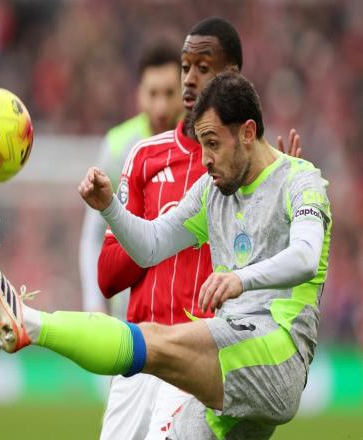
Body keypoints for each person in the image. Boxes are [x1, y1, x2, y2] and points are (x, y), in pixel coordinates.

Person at [0, 71, 331, 439]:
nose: (205, 159)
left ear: (248, 133)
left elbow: (306, 256)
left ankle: (30, 323)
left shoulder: (301, 181)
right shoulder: (212, 191)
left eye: (212, 144)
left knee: (155, 341)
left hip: (276, 356)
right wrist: (110, 207)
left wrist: (239, 279)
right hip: (233, 367)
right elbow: (151, 245)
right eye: (202, 145)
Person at [96, 17, 301, 440]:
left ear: (232, 77)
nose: (188, 79)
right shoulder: (146, 156)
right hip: (141, 349)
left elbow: (276, 276)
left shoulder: (251, 169)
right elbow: (108, 276)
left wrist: (279, 206)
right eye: (185, 67)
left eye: (202, 69)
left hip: (199, 354)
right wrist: (156, 233)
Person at [79, 41, 183, 316]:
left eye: (169, 93)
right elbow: (94, 234)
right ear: (139, 95)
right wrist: (94, 303)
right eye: (153, 93)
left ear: (185, 93)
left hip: (184, 313)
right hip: (128, 315)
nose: (161, 106)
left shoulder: (201, 144)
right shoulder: (117, 147)